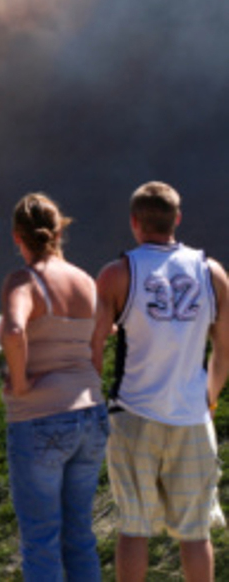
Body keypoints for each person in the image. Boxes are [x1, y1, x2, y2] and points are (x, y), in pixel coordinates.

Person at [92, 181, 229, 582]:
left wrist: (93, 403)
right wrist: (210, 397)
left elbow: (94, 347)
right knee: (195, 532)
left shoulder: (117, 274)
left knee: (134, 529)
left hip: (134, 414)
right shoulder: (212, 272)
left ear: (135, 223)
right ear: (178, 219)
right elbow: (225, 347)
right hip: (191, 416)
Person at [0, 193, 107, 581]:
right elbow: (100, 342)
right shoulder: (87, 283)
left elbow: (13, 331)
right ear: (60, 230)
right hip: (91, 414)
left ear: (17, 237)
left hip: (39, 419)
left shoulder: (23, 281)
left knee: (41, 540)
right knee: (80, 535)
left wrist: (23, 382)